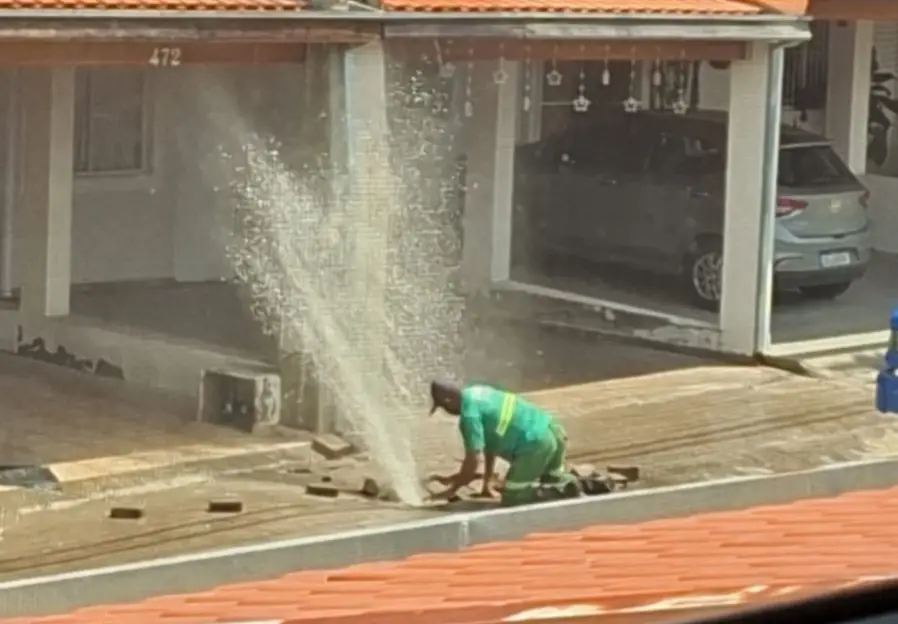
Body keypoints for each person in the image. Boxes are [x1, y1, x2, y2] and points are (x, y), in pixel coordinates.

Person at [426, 379, 578, 506]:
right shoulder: (478, 391)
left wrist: (452, 489)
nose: (445, 411)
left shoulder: (469, 416)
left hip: (536, 444)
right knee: (552, 478)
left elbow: (473, 460)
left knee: (513, 495)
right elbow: (488, 443)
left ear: (448, 400)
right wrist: (487, 481)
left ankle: (563, 491)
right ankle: (580, 485)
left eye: (442, 406)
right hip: (554, 431)